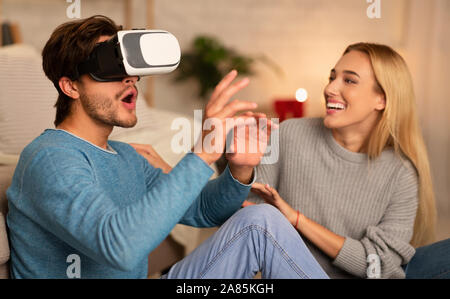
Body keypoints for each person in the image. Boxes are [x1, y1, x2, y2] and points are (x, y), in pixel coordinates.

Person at [6, 15, 329, 279]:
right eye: (111, 70)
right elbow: (120, 248)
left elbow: (205, 210)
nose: (129, 79)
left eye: (130, 70)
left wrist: (239, 167)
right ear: (70, 86)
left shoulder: (128, 156)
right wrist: (202, 153)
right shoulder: (51, 157)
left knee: (261, 221)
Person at [245, 42, 450, 279]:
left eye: (349, 80)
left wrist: (297, 220)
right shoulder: (290, 133)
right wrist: (241, 169)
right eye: (332, 77)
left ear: (381, 99)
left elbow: (378, 266)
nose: (330, 88)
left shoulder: (401, 173)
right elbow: (249, 223)